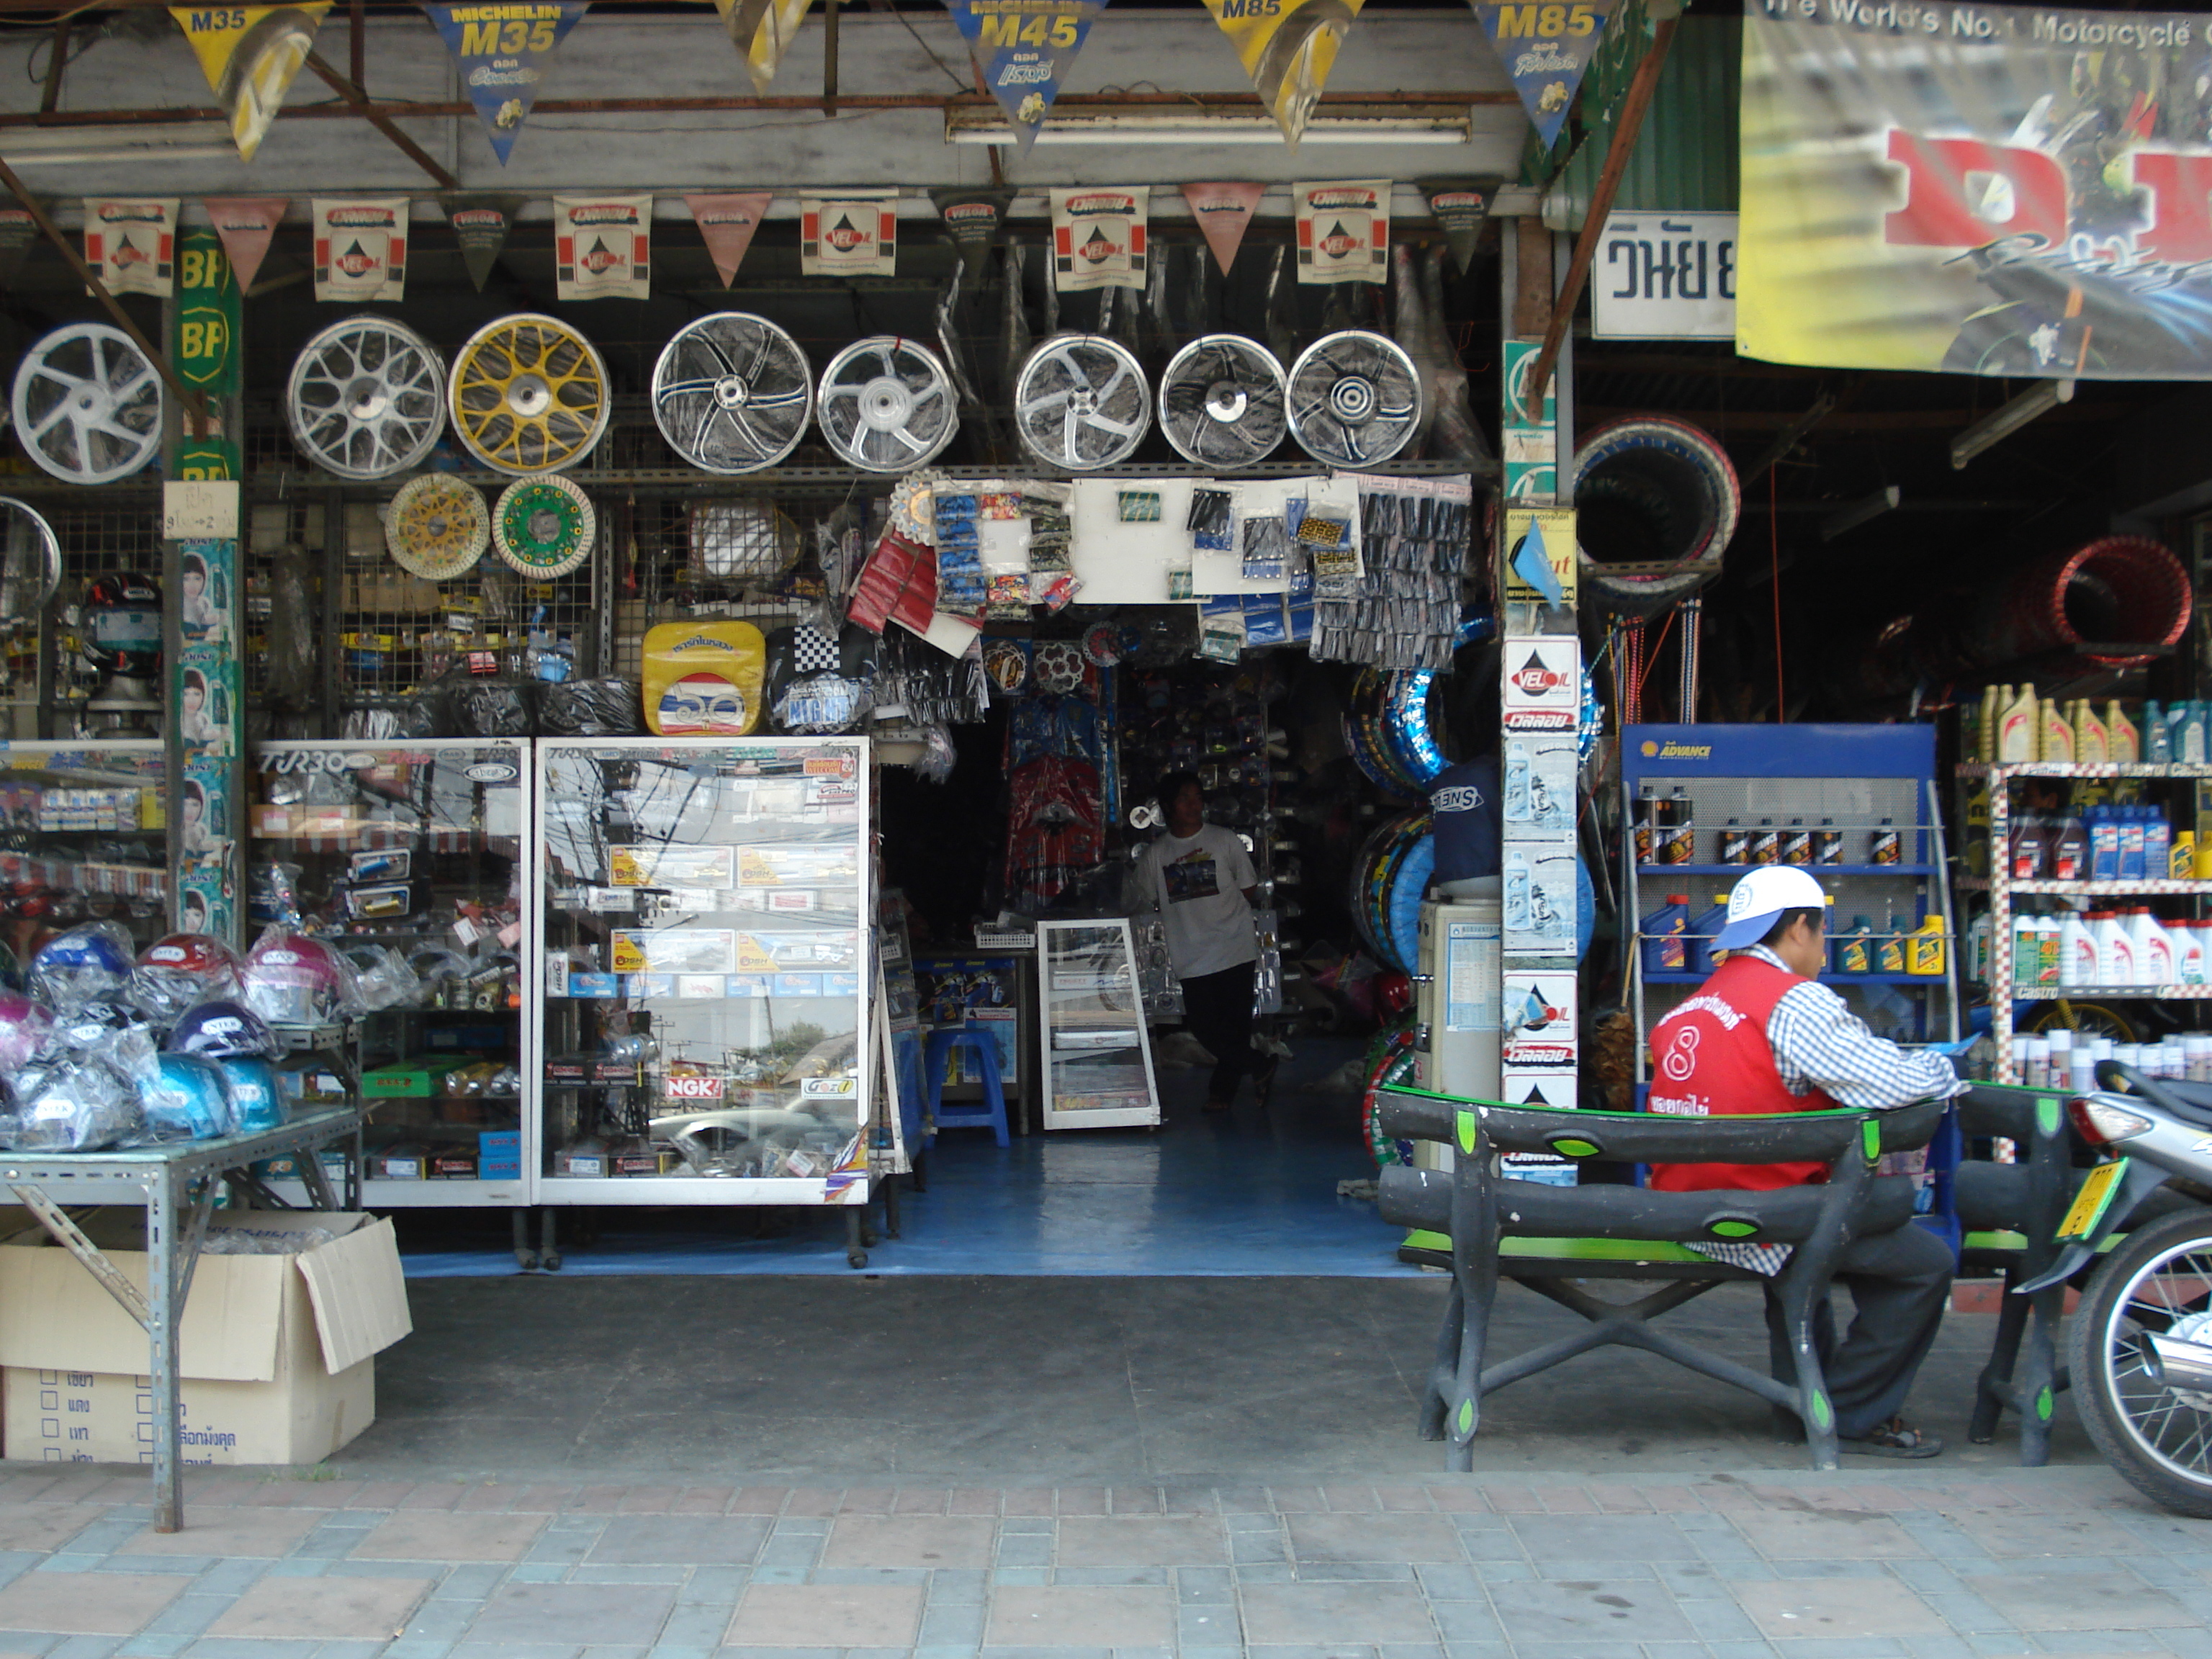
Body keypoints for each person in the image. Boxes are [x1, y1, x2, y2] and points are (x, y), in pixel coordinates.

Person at [1645, 865, 1965, 1458]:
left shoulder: (1689, 1007)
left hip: (1685, 1204)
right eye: (1823, 933)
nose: (1823, 949)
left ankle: (1803, 1397)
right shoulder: (1794, 1003)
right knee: (1922, 1261)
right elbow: (1891, 1084)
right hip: (1765, 1216)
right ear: (1798, 928)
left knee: (1819, 1233)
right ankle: (1846, 1411)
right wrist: (1950, 1072)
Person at [1130, 770, 1274, 1112]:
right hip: (1190, 954)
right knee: (1206, 1029)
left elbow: (1248, 887)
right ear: (1168, 807)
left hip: (1234, 946)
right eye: (1184, 798)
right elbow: (1142, 899)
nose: (1193, 805)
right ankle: (1260, 1065)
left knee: (1235, 1027)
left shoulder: (1225, 841)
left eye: (1197, 797)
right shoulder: (1155, 855)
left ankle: (1221, 1094)